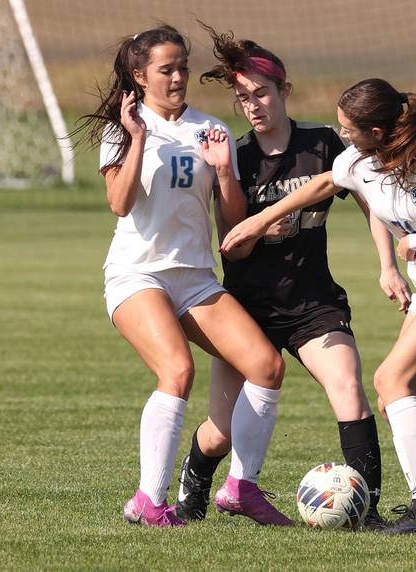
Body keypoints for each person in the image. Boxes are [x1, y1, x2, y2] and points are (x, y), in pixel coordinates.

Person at [221, 78, 416, 534]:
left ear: (377, 131)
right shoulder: (359, 159)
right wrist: (262, 218)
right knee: (396, 392)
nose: (343, 136)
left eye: (349, 129)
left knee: (391, 380)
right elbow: (321, 183)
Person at [173, 25, 411, 530]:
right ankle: (192, 494)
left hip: (312, 303)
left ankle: (365, 510)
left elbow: (374, 206)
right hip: (247, 308)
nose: (253, 105)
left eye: (261, 93)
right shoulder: (234, 155)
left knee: (348, 387)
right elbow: (228, 237)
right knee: (220, 431)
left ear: (285, 90)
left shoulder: (324, 143)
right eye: (243, 98)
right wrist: (257, 228)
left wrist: (387, 263)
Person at [78, 24, 292, 528]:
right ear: (140, 75)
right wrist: (136, 138)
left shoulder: (209, 128)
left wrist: (222, 170)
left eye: (182, 68)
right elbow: (119, 202)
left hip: (195, 278)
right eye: (166, 69)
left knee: (266, 367)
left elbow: (231, 223)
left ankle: (241, 486)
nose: (177, 78)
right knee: (177, 372)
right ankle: (148, 501)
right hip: (137, 276)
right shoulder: (122, 128)